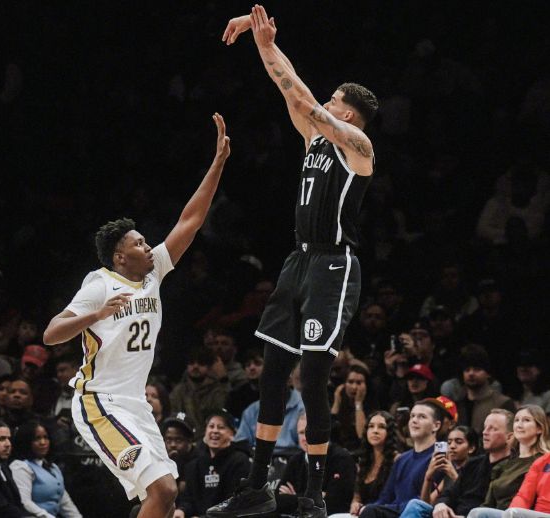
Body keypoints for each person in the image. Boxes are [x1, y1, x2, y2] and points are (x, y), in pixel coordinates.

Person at [209, 7, 378, 518]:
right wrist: (264, 45)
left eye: (334, 101)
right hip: (298, 261)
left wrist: (266, 46)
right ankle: (257, 487)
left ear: (349, 115)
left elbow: (301, 95)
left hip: (334, 265)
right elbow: (291, 90)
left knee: (314, 378)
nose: (325, 103)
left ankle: (314, 495)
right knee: (272, 374)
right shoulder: (314, 138)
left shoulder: (359, 148)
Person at [42, 114, 230, 518]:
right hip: (99, 401)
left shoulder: (153, 273)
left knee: (166, 495)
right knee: (161, 488)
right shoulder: (100, 284)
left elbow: (191, 221)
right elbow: (51, 334)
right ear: (119, 256)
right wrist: (94, 315)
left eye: (146, 242)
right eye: (139, 243)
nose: (148, 247)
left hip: (136, 404)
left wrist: (217, 163)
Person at [400, 410, 513, 518]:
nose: (485, 432)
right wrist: (441, 504)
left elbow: (498, 509)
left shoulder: (513, 468)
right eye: (485, 427)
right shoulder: (473, 464)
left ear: (509, 436)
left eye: (493, 429)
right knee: (416, 505)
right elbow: (448, 494)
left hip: (474, 515)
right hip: (452, 514)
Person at [358, 401, 442, 518]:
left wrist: (375, 510)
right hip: (394, 512)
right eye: (412, 416)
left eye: (422, 417)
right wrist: (365, 508)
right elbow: (385, 497)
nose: (414, 420)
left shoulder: (439, 458)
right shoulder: (401, 459)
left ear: (436, 426)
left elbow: (425, 503)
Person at [467, 405, 549, 518]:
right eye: (517, 420)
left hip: (522, 514)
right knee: (477, 512)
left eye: (526, 420)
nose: (519, 425)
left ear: (540, 428)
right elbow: (489, 503)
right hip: (504, 513)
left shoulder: (542, 462)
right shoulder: (503, 465)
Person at [278, 412, 356, 516]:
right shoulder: (296, 460)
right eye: (301, 433)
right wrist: (313, 498)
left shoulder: (342, 458)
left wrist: (294, 497)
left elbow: (335, 502)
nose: (305, 438)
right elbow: (278, 498)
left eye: (309, 431)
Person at [175, 411, 250, 518]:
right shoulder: (194, 464)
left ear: (232, 434)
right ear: (205, 432)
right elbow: (188, 499)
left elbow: (235, 503)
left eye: (221, 427)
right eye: (211, 426)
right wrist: (182, 510)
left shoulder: (240, 461)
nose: (215, 431)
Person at [9, 420, 82, 517]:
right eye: (37, 439)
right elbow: (25, 502)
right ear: (26, 442)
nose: (43, 442)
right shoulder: (20, 467)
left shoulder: (53, 467)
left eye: (45, 437)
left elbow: (64, 502)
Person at [342, 411, 399, 518]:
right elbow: (357, 496)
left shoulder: (397, 460)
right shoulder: (364, 461)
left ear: (390, 432)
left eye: (381, 427)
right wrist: (355, 504)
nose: (375, 431)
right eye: (371, 426)